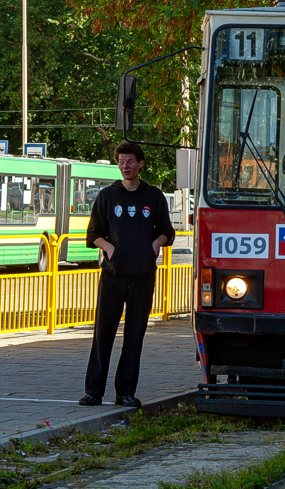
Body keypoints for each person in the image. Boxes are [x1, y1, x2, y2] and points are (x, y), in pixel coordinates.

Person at [79, 142, 175, 408]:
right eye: (121, 162)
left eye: (130, 161)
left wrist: (155, 245)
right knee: (103, 333)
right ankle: (93, 392)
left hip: (142, 276)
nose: (125, 166)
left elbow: (167, 231)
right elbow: (94, 234)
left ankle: (125, 393)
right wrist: (109, 248)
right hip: (113, 275)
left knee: (134, 336)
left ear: (141, 163)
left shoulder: (153, 196)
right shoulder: (108, 196)